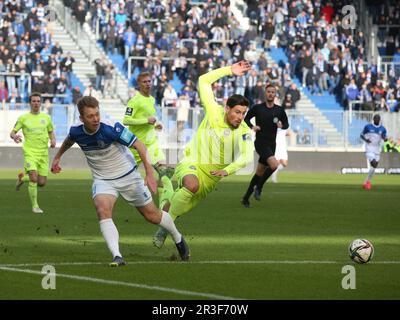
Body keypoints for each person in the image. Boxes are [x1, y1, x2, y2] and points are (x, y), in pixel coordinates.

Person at [50, 96, 189, 266]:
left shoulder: (111, 128)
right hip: (103, 179)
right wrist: (57, 157)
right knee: (102, 210)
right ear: (81, 118)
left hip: (128, 176)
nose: (95, 119)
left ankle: (177, 237)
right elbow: (70, 140)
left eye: (97, 114)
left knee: (152, 216)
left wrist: (149, 173)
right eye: (90, 116)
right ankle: (117, 255)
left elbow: (140, 145)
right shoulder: (76, 131)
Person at [152, 61, 254, 249]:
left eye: (244, 113)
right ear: (227, 109)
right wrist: (229, 71)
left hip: (211, 178)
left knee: (172, 206)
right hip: (191, 162)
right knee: (191, 184)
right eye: (237, 112)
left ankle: (166, 184)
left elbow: (247, 157)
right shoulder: (214, 111)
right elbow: (203, 81)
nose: (240, 117)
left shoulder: (244, 131)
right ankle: (164, 231)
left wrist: (228, 170)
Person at [241, 84, 289, 207]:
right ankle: (259, 188)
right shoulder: (258, 108)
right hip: (260, 143)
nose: (270, 94)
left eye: (273, 92)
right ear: (265, 93)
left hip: (272, 144)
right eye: (268, 92)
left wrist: (281, 126)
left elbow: (286, 124)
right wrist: (253, 127)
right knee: (274, 165)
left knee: (259, 173)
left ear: (275, 94)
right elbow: (245, 119)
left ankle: (246, 198)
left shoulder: (279, 110)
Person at [10, 93, 56, 214]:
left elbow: (51, 131)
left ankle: (22, 179)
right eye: (34, 101)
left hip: (43, 154)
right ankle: (35, 206)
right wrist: (15, 137)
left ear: (40, 103)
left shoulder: (46, 118)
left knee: (42, 183)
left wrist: (53, 140)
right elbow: (12, 132)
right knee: (34, 178)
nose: (36, 103)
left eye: (38, 101)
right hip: (30, 152)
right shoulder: (23, 118)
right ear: (30, 103)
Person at [123, 72, 173, 179]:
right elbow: (126, 120)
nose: (147, 84)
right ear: (139, 84)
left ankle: (165, 195)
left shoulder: (152, 99)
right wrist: (146, 120)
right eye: (144, 82)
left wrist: (155, 126)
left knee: (163, 169)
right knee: (125, 177)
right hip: (136, 144)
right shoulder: (134, 101)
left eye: (149, 81)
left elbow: (149, 120)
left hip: (151, 143)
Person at [360, 114, 387, 190]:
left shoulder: (383, 129)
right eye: (376, 119)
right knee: (374, 163)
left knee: (374, 166)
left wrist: (385, 139)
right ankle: (367, 183)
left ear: (379, 120)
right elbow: (361, 135)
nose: (377, 120)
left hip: (377, 149)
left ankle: (366, 182)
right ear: (373, 119)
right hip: (369, 148)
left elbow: (384, 136)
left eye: (378, 119)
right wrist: (366, 140)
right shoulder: (368, 127)